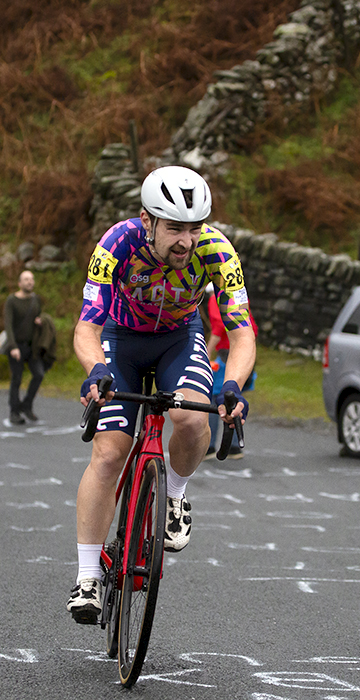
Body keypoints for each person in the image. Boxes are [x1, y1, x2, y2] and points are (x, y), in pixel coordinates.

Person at [67, 166, 256, 624]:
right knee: (110, 453)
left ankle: (174, 494)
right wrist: (96, 372)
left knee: (193, 418)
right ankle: (88, 577)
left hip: (178, 336)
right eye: (174, 228)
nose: (186, 241)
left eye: (194, 229)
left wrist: (230, 385)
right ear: (147, 220)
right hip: (121, 338)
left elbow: (242, 331)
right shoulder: (117, 244)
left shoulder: (217, 251)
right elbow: (87, 326)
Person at [204, 283, 258, 459]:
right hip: (243, 350)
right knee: (235, 397)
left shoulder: (215, 298)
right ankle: (234, 446)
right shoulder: (239, 296)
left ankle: (210, 446)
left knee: (216, 396)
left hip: (227, 352)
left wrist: (207, 351)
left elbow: (219, 327)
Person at [3, 270, 45, 424]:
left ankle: (26, 405)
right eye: (26, 279)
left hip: (31, 346)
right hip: (16, 346)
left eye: (32, 279)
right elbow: (8, 325)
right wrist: (13, 346)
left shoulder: (35, 300)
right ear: (20, 283)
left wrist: (40, 321)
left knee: (39, 374)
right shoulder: (12, 301)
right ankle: (14, 412)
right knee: (17, 378)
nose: (30, 282)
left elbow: (38, 316)